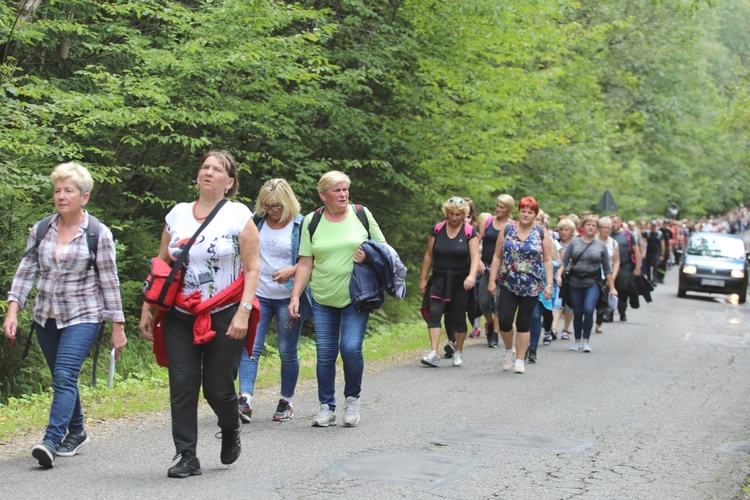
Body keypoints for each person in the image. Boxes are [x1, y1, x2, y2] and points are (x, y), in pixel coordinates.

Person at [139, 150, 260, 478]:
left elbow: (252, 269)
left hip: (224, 311)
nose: (208, 172)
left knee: (218, 388)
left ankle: (230, 425)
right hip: (179, 313)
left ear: (229, 182)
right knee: (182, 382)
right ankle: (186, 455)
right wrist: (148, 309)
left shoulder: (238, 215)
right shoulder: (177, 214)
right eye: (204, 167)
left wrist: (243, 313)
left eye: (216, 169)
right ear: (197, 177)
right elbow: (162, 264)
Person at [3, 162, 126, 469]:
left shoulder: (99, 234)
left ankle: (51, 440)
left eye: (68, 191)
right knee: (64, 378)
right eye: (57, 190)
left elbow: (110, 282)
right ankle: (78, 430)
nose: (61, 196)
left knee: (64, 375)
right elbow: (25, 272)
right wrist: (13, 311)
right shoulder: (42, 229)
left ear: (84, 197)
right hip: (46, 316)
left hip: (83, 314)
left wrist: (117, 326)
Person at [288, 171, 386, 428]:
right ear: (323, 195)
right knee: (325, 354)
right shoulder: (313, 220)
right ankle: (326, 406)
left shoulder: (361, 214)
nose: (343, 194)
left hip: (356, 296)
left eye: (345, 189)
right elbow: (306, 262)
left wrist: (367, 256)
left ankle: (352, 399)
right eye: (337, 190)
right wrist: (295, 295)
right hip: (322, 296)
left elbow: (383, 248)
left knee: (351, 348)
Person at [237, 179, 310, 424]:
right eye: (268, 206)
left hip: (288, 298)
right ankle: (245, 399)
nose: (272, 211)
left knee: (287, 351)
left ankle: (286, 401)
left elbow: (312, 259)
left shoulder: (301, 225)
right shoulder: (256, 221)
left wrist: (292, 270)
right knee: (250, 348)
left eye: (277, 206)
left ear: (287, 202)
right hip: (258, 294)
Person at [488, 197, 553, 374]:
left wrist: (549, 284)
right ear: (518, 212)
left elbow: (547, 260)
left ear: (535, 214)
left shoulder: (541, 232)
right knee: (505, 321)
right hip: (508, 282)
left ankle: (520, 359)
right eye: (523, 211)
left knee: (524, 322)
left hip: (531, 285)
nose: (526, 215)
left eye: (530, 212)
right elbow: (496, 256)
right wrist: (492, 280)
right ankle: (510, 350)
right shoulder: (507, 229)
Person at [419, 197, 480, 368]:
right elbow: (429, 255)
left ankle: (458, 351)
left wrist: (471, 276)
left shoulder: (469, 232)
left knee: (459, 318)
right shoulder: (437, 230)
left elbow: (475, 257)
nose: (454, 218)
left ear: (463, 215)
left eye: (458, 214)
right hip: (439, 278)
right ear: (446, 213)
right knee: (435, 314)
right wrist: (423, 279)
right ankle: (433, 353)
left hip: (461, 281)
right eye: (451, 214)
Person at [561, 215, 617, 352]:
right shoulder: (574, 243)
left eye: (593, 225)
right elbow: (564, 261)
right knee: (578, 311)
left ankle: (586, 340)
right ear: (583, 227)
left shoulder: (601, 246)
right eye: (588, 225)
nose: (591, 227)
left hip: (592, 282)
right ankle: (577, 340)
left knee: (588, 309)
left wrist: (613, 287)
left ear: (596, 229)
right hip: (575, 282)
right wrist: (558, 275)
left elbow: (607, 268)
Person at [478, 194, 514, 348]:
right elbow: (476, 242)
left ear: (509, 209)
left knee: (500, 303)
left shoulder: (513, 226)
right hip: (486, 267)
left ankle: (495, 334)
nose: (498, 209)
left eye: (502, 207)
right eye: (497, 205)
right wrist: (478, 260)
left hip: (505, 270)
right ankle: (490, 323)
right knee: (484, 301)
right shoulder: (487, 222)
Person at [612, 216, 642, 322]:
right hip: (610, 265)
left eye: (615, 222)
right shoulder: (607, 234)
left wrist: (638, 267)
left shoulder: (628, 235)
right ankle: (609, 313)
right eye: (612, 222)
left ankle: (622, 311)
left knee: (623, 290)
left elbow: (636, 250)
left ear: (620, 222)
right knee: (610, 289)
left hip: (625, 266)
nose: (613, 224)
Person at [594, 216, 620, 333]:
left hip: (606, 275)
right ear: (599, 228)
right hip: (592, 273)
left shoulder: (613, 243)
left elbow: (616, 261)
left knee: (602, 300)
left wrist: (613, 276)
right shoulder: (593, 240)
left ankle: (599, 323)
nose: (605, 230)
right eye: (603, 227)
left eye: (608, 228)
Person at [554, 217, 577, 340]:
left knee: (569, 304)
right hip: (557, 275)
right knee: (557, 303)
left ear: (571, 231)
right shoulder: (555, 242)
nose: (563, 232)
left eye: (566, 230)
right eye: (561, 229)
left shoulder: (576, 243)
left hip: (571, 275)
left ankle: (566, 328)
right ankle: (553, 328)